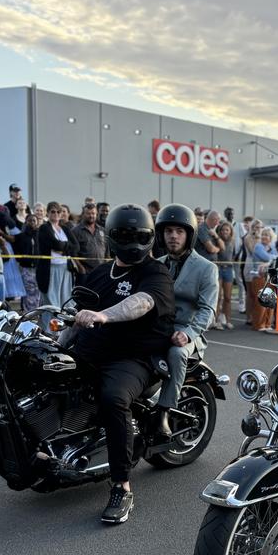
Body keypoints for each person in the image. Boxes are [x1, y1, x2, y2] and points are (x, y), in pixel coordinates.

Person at [69, 204, 175, 524]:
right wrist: (53, 340)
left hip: (134, 357)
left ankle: (122, 486)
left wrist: (104, 315)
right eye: (124, 235)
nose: (132, 241)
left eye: (139, 235)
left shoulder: (154, 272)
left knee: (113, 398)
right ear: (111, 237)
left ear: (149, 238)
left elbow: (140, 303)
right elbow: (77, 318)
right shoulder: (100, 274)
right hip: (93, 351)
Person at [154, 204, 218, 436]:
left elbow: (208, 310)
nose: (173, 236)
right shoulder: (156, 264)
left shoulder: (206, 268)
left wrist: (189, 333)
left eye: (179, 231)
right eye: (168, 231)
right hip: (158, 329)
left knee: (176, 353)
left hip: (187, 333)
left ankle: (164, 412)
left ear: (189, 234)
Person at [36, 201, 78, 313]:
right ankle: (49, 329)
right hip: (50, 270)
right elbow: (55, 244)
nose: (56, 214)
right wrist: (65, 248)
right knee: (51, 302)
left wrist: (62, 248)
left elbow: (76, 247)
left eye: (58, 211)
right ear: (47, 213)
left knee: (66, 300)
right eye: (52, 211)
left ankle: (63, 328)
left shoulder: (65, 229)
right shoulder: (44, 228)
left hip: (66, 270)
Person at [69, 201, 106, 277]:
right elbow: (72, 253)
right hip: (85, 272)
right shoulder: (75, 231)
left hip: (101, 271)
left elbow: (107, 251)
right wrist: (81, 268)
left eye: (93, 213)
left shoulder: (102, 230)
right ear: (83, 214)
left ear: (96, 214)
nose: (91, 216)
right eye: (88, 213)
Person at [14, 212, 41, 312]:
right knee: (28, 290)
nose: (32, 222)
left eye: (34, 220)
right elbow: (16, 249)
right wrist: (21, 260)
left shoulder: (40, 235)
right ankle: (27, 312)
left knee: (37, 290)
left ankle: (36, 312)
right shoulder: (21, 236)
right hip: (26, 267)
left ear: (37, 222)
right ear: (26, 222)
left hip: (38, 268)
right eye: (30, 220)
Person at [212, 220, 236, 329]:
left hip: (228, 270)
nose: (225, 232)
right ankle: (216, 321)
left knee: (227, 297)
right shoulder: (216, 240)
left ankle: (228, 320)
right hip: (218, 269)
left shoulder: (233, 242)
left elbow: (234, 256)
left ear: (231, 231)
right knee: (218, 297)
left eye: (227, 230)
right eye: (222, 230)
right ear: (219, 231)